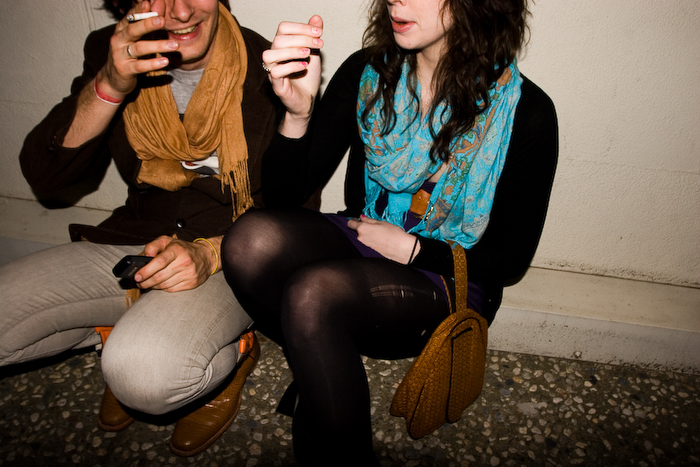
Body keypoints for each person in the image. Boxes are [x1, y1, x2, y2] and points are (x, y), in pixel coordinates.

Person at [221, 0, 558, 465]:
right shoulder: (370, 73)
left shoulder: (525, 111)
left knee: (312, 294)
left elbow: (511, 259)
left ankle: (333, 410)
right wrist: (297, 114)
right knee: (248, 240)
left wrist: (415, 250)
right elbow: (283, 199)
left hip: (448, 272)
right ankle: (322, 364)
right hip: (365, 232)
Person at [0, 0, 311, 457]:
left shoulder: (272, 66)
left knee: (143, 377)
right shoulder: (109, 51)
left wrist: (211, 253)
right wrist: (109, 85)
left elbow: (297, 215)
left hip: (231, 255)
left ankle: (234, 351)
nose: (181, 12)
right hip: (133, 239)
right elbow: (47, 179)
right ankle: (127, 327)